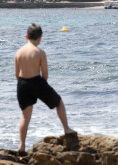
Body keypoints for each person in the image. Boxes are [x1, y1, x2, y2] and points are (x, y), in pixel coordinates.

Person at [14, 23, 76, 153]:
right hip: (37, 81)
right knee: (58, 102)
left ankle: (22, 145)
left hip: (22, 84)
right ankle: (66, 128)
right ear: (40, 38)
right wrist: (43, 87)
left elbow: (16, 74)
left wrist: (24, 85)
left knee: (25, 116)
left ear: (26, 36)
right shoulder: (40, 52)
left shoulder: (18, 52)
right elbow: (45, 74)